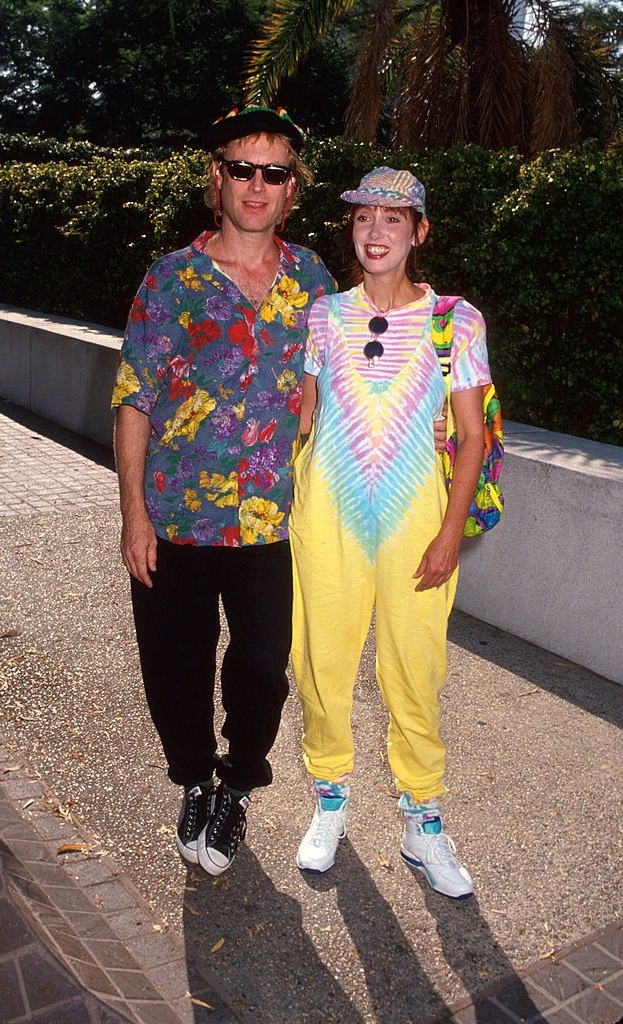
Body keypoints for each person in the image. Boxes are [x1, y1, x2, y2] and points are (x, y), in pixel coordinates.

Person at [111, 106, 337, 876]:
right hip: (175, 517)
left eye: (273, 173)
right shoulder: (170, 279)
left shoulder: (312, 280)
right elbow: (135, 396)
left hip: (272, 523)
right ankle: (193, 779)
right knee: (173, 666)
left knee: (263, 666)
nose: (256, 185)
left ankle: (239, 782)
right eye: (241, 168)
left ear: (291, 189)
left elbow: (342, 384)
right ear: (217, 178)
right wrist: (133, 514)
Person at [290, 167, 489, 899]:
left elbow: (468, 437)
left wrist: (447, 533)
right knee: (320, 663)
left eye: (393, 220)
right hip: (327, 519)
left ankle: (422, 821)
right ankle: (330, 801)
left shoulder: (454, 321)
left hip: (414, 524)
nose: (375, 233)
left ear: (419, 232)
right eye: (363, 218)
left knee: (415, 671)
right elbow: (304, 421)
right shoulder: (321, 315)